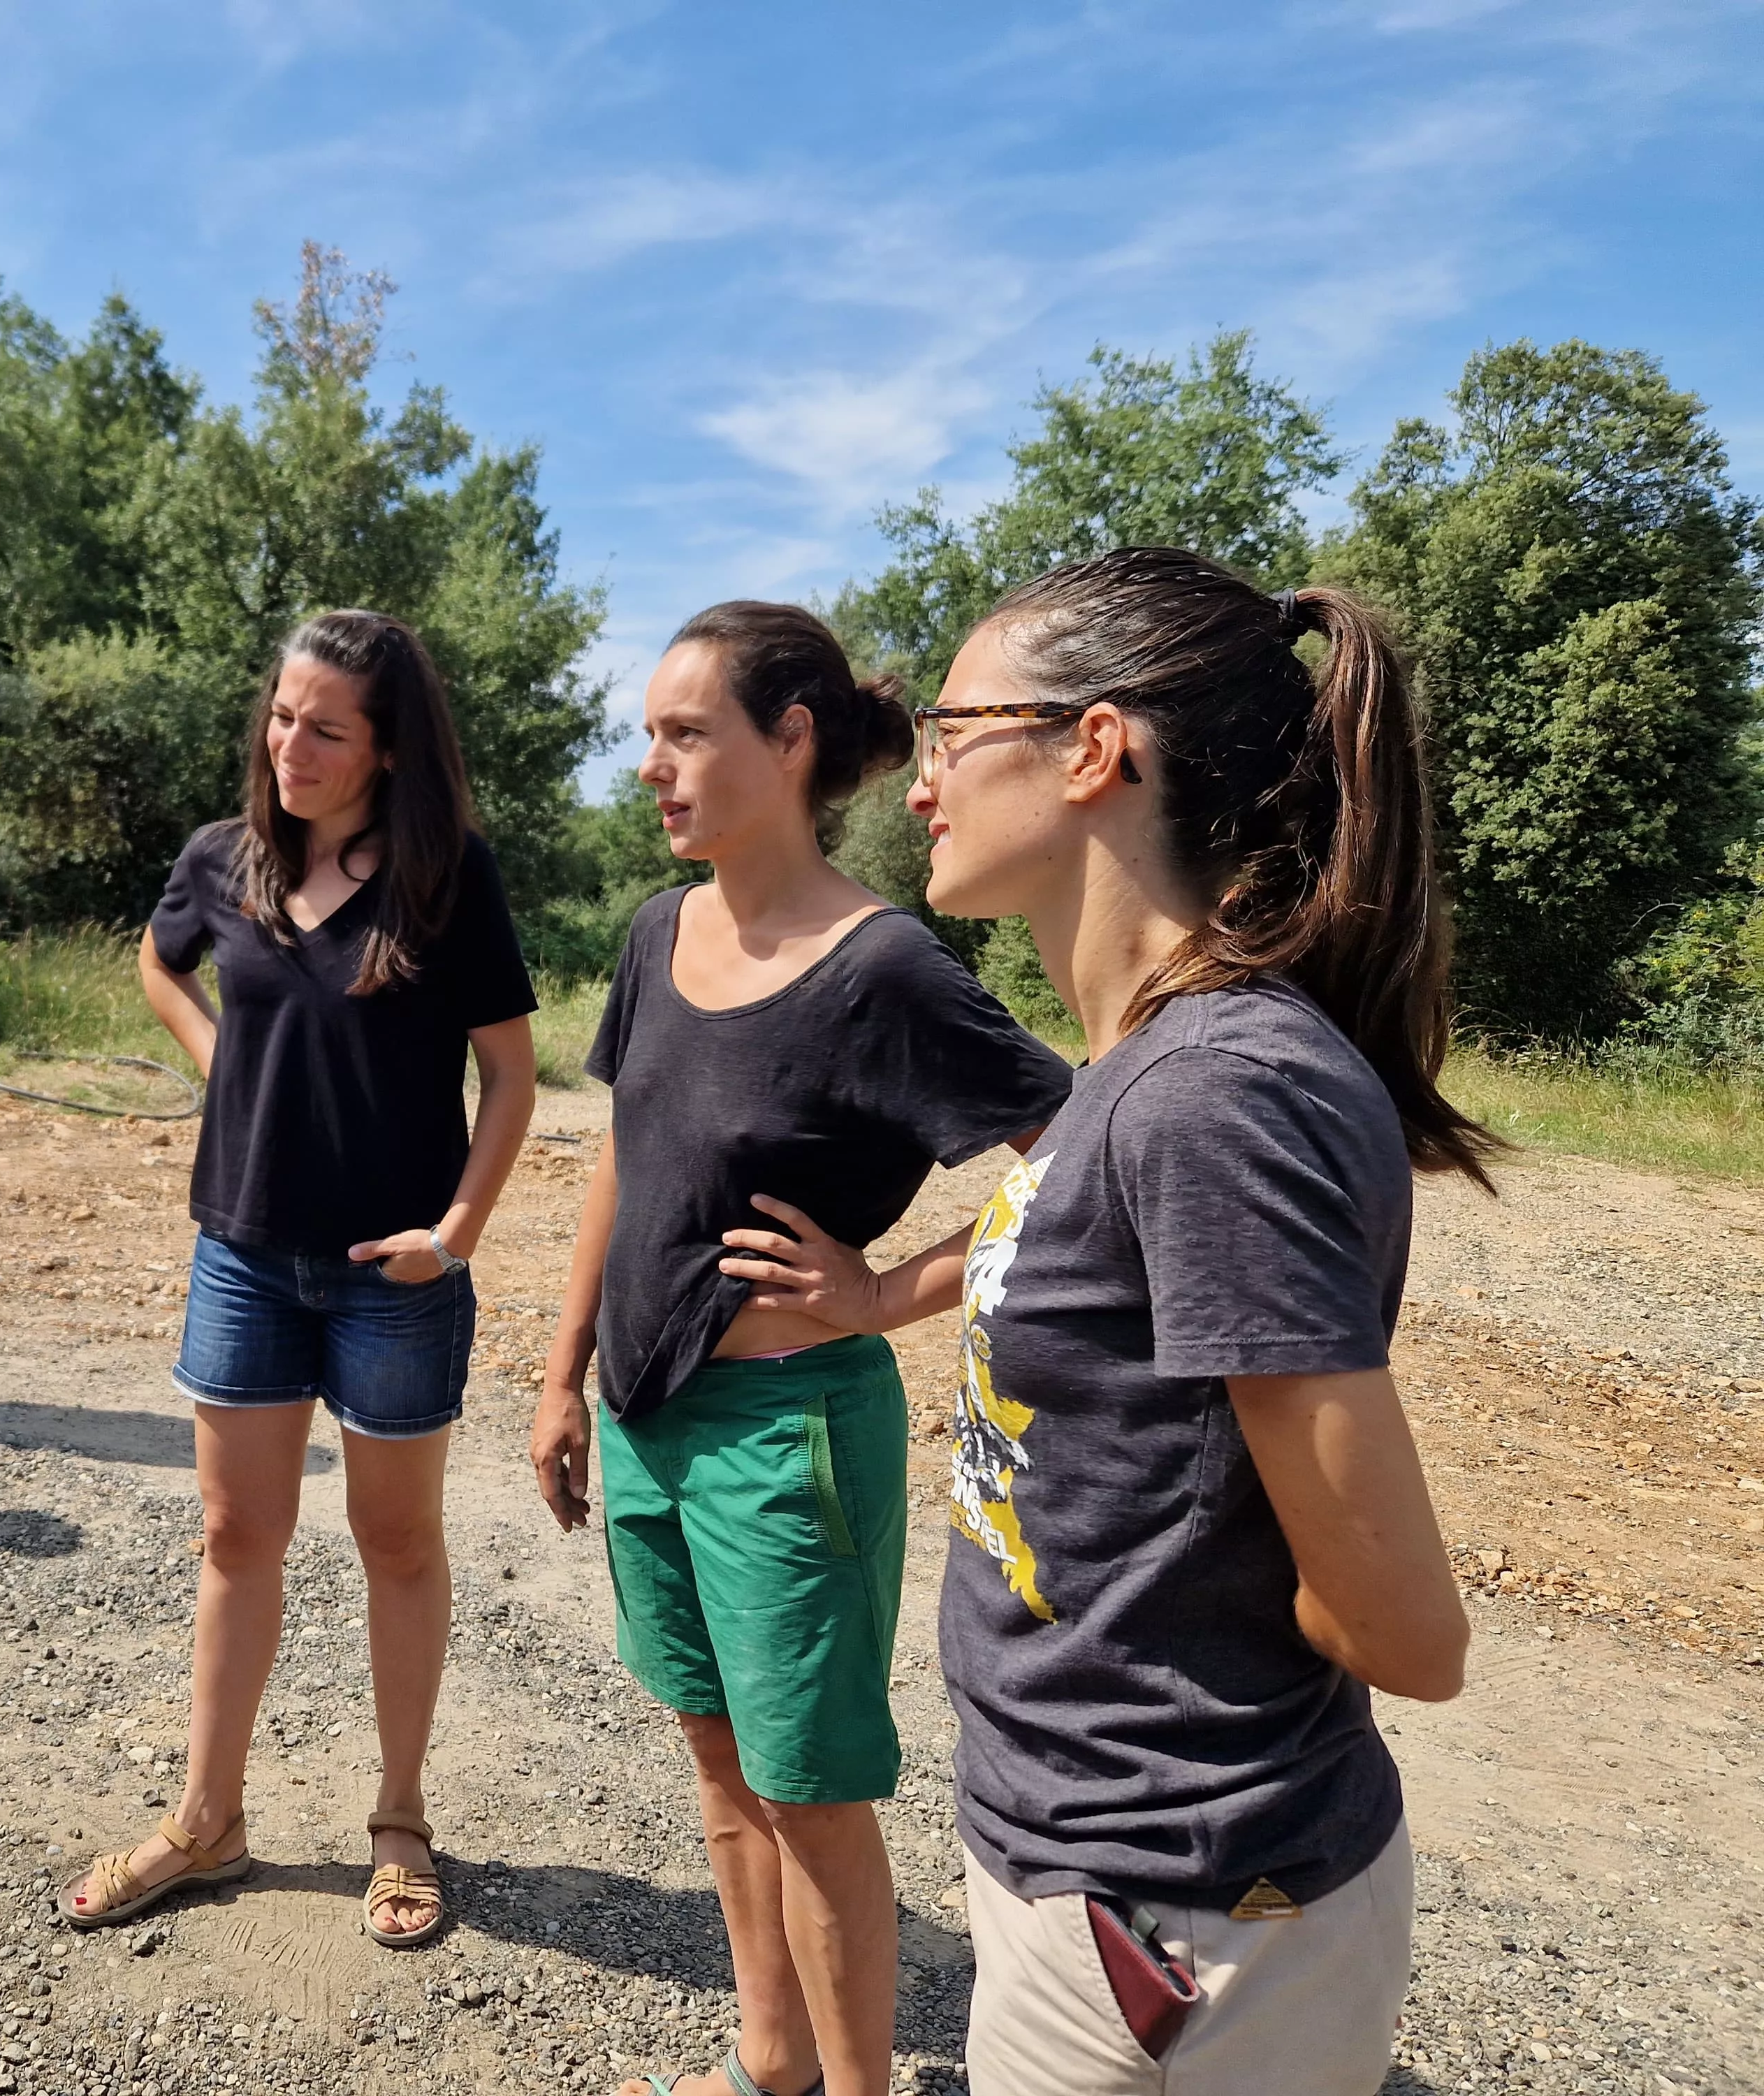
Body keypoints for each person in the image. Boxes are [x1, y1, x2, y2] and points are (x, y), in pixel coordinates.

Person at [803, 549, 1480, 2095]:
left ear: (1094, 750)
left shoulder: (1213, 1098)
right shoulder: (1139, 1074)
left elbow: (1398, 1630)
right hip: (1111, 1880)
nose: (917, 785)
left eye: (954, 731)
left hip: (1182, 1915)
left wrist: (1209, 1672)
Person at [532, 602, 1073, 2096]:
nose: (651, 763)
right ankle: (766, 2060)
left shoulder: (882, 969)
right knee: (715, 1760)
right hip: (644, 1420)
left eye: (684, 732)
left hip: (788, 1436)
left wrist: (885, 1294)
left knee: (811, 1796)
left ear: (789, 743)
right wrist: (558, 1371)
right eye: (647, 733)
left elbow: (1084, 1164)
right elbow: (623, 1162)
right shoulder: (659, 930)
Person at [60, 609, 539, 1951]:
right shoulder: (225, 862)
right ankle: (209, 1820)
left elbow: (509, 1074)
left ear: (387, 751)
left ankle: (399, 1819)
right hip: (244, 1259)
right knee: (235, 1540)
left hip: (396, 1277)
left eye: (326, 728)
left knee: (396, 1544)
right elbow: (158, 965)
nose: (291, 745)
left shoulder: (449, 879)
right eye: (282, 716)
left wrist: (458, 1231)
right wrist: (228, 1071)